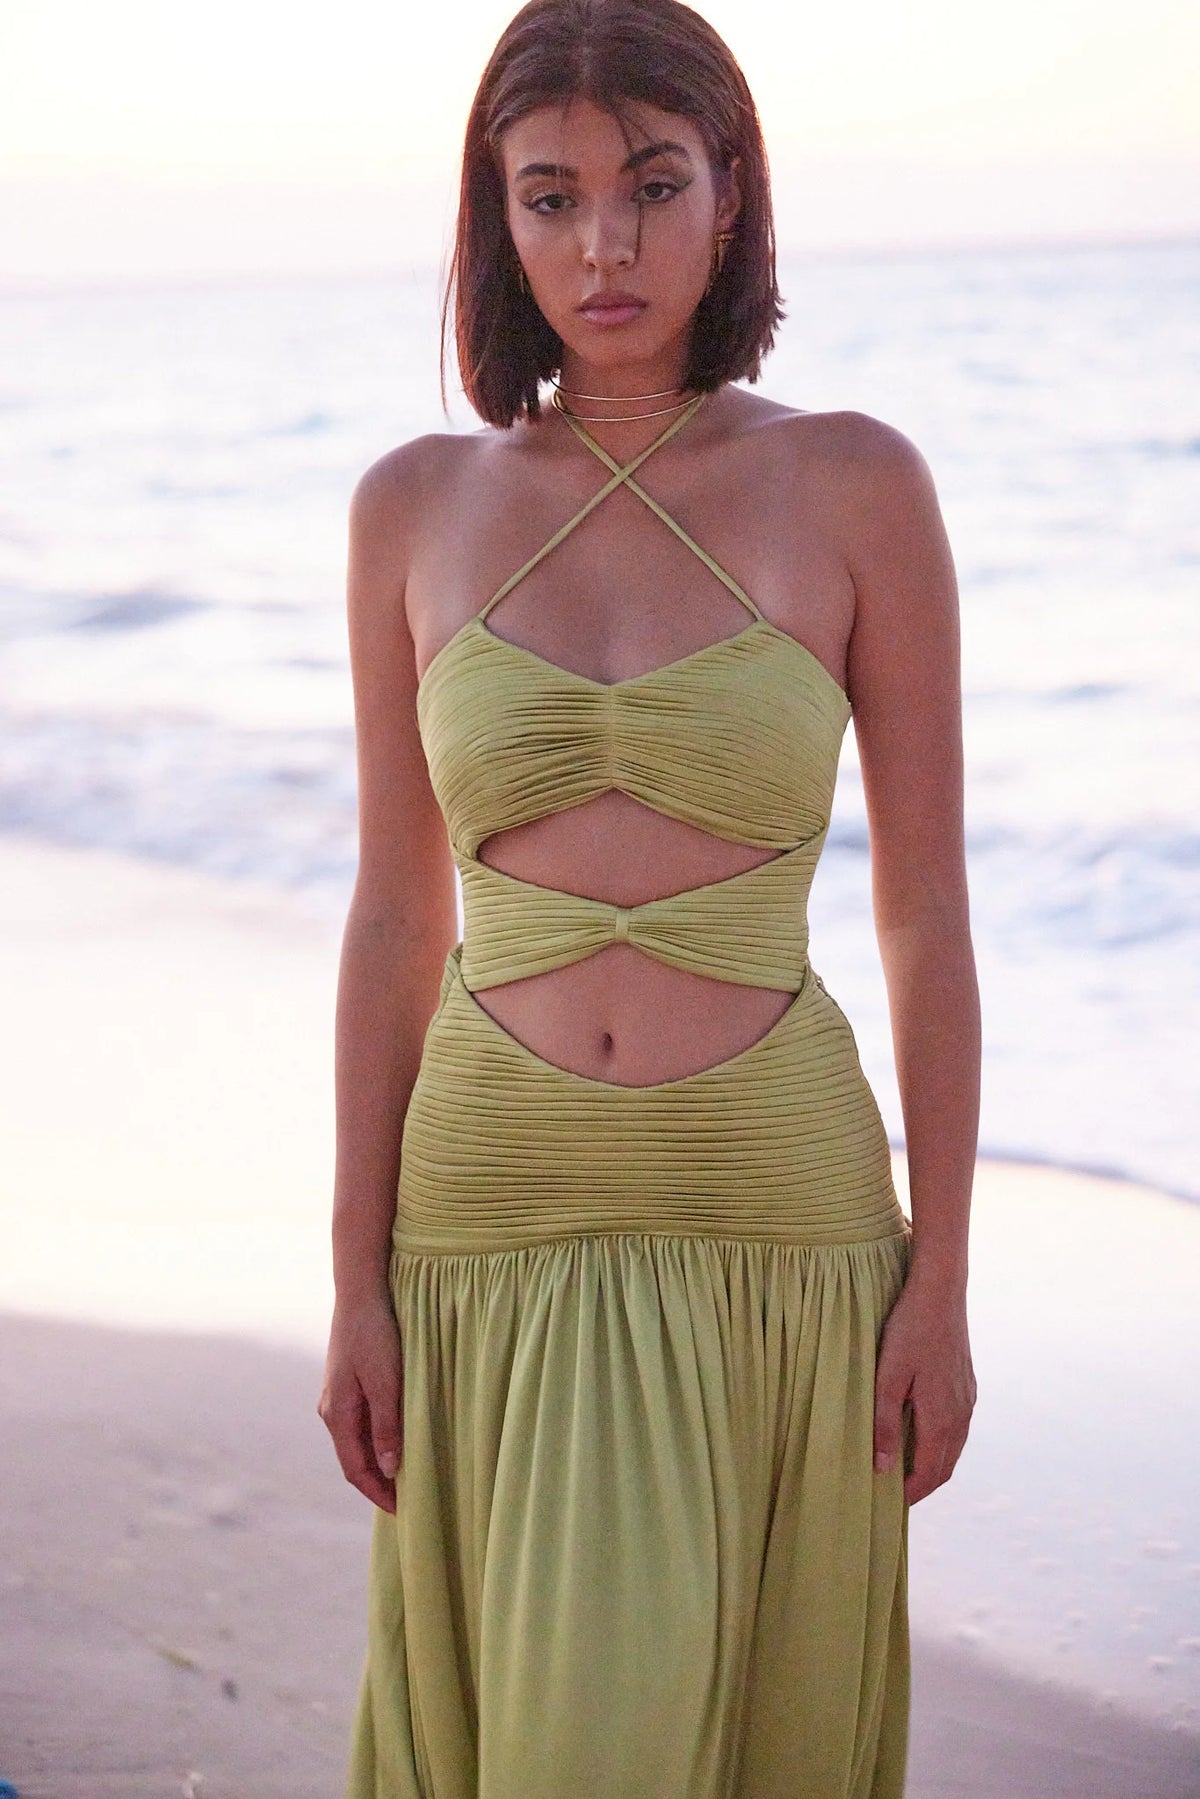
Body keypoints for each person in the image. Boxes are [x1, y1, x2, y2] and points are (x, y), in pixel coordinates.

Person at [319, 0, 980, 1793]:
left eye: (651, 184)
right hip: (491, 1209)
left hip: (776, 1200)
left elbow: (925, 917)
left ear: (732, 192)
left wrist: (943, 1285)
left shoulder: (854, 482)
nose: (601, 244)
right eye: (549, 196)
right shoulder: (415, 504)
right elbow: (397, 916)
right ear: (494, 218)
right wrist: (353, 1277)